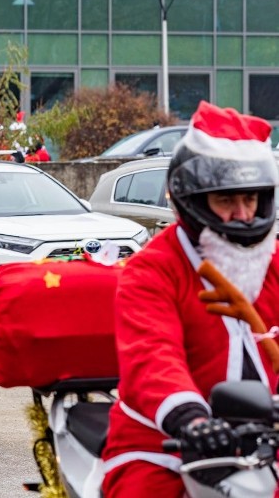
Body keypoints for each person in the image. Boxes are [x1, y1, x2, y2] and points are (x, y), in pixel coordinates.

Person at [101, 102, 279, 496]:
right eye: (226, 201)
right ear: (193, 201)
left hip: (266, 440)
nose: (243, 214)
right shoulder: (152, 269)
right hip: (163, 443)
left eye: (250, 199)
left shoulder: (275, 263)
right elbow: (153, 355)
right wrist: (191, 418)